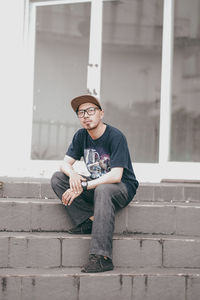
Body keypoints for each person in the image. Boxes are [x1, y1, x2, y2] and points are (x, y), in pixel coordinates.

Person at [51, 94, 138, 273]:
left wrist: (83, 186)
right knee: (58, 178)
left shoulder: (115, 136)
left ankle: (102, 257)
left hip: (122, 187)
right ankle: (88, 221)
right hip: (97, 185)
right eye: (81, 112)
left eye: (91, 110)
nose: (86, 115)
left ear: (101, 114)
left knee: (104, 190)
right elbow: (64, 164)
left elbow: (116, 175)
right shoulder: (81, 135)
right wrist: (73, 175)